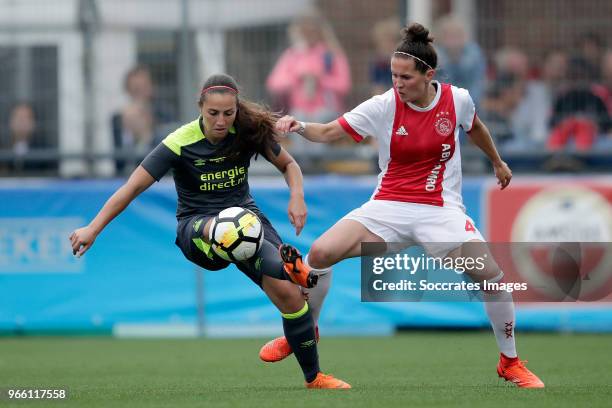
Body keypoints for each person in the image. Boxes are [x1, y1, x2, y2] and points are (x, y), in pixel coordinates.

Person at [260, 23, 545, 389]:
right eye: (394, 75)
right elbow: (331, 132)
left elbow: (475, 127)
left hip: (440, 210)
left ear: (429, 75)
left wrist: (497, 161)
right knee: (319, 252)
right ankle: (304, 331)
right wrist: (299, 126)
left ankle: (510, 362)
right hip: (388, 206)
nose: (398, 83)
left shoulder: (457, 99)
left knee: (489, 274)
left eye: (406, 77)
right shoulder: (383, 106)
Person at [69, 74, 350, 390]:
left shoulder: (246, 131)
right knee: (228, 231)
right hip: (196, 229)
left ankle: (314, 376)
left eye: (228, 113)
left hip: (246, 221)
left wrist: (297, 196)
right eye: (213, 113)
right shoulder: (178, 143)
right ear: (200, 108)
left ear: (236, 109)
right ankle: (289, 269)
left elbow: (290, 166)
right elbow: (131, 188)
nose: (221, 120)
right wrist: (93, 228)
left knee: (292, 300)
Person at [266, 11, 351, 154]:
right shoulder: (293, 55)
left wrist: (321, 79)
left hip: (327, 109)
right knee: (298, 119)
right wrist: (296, 77)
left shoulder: (330, 54)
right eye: (304, 31)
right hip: (299, 108)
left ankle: (318, 161)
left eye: (311, 31)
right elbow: (274, 83)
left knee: (318, 118)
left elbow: (344, 85)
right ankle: (301, 161)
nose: (307, 35)